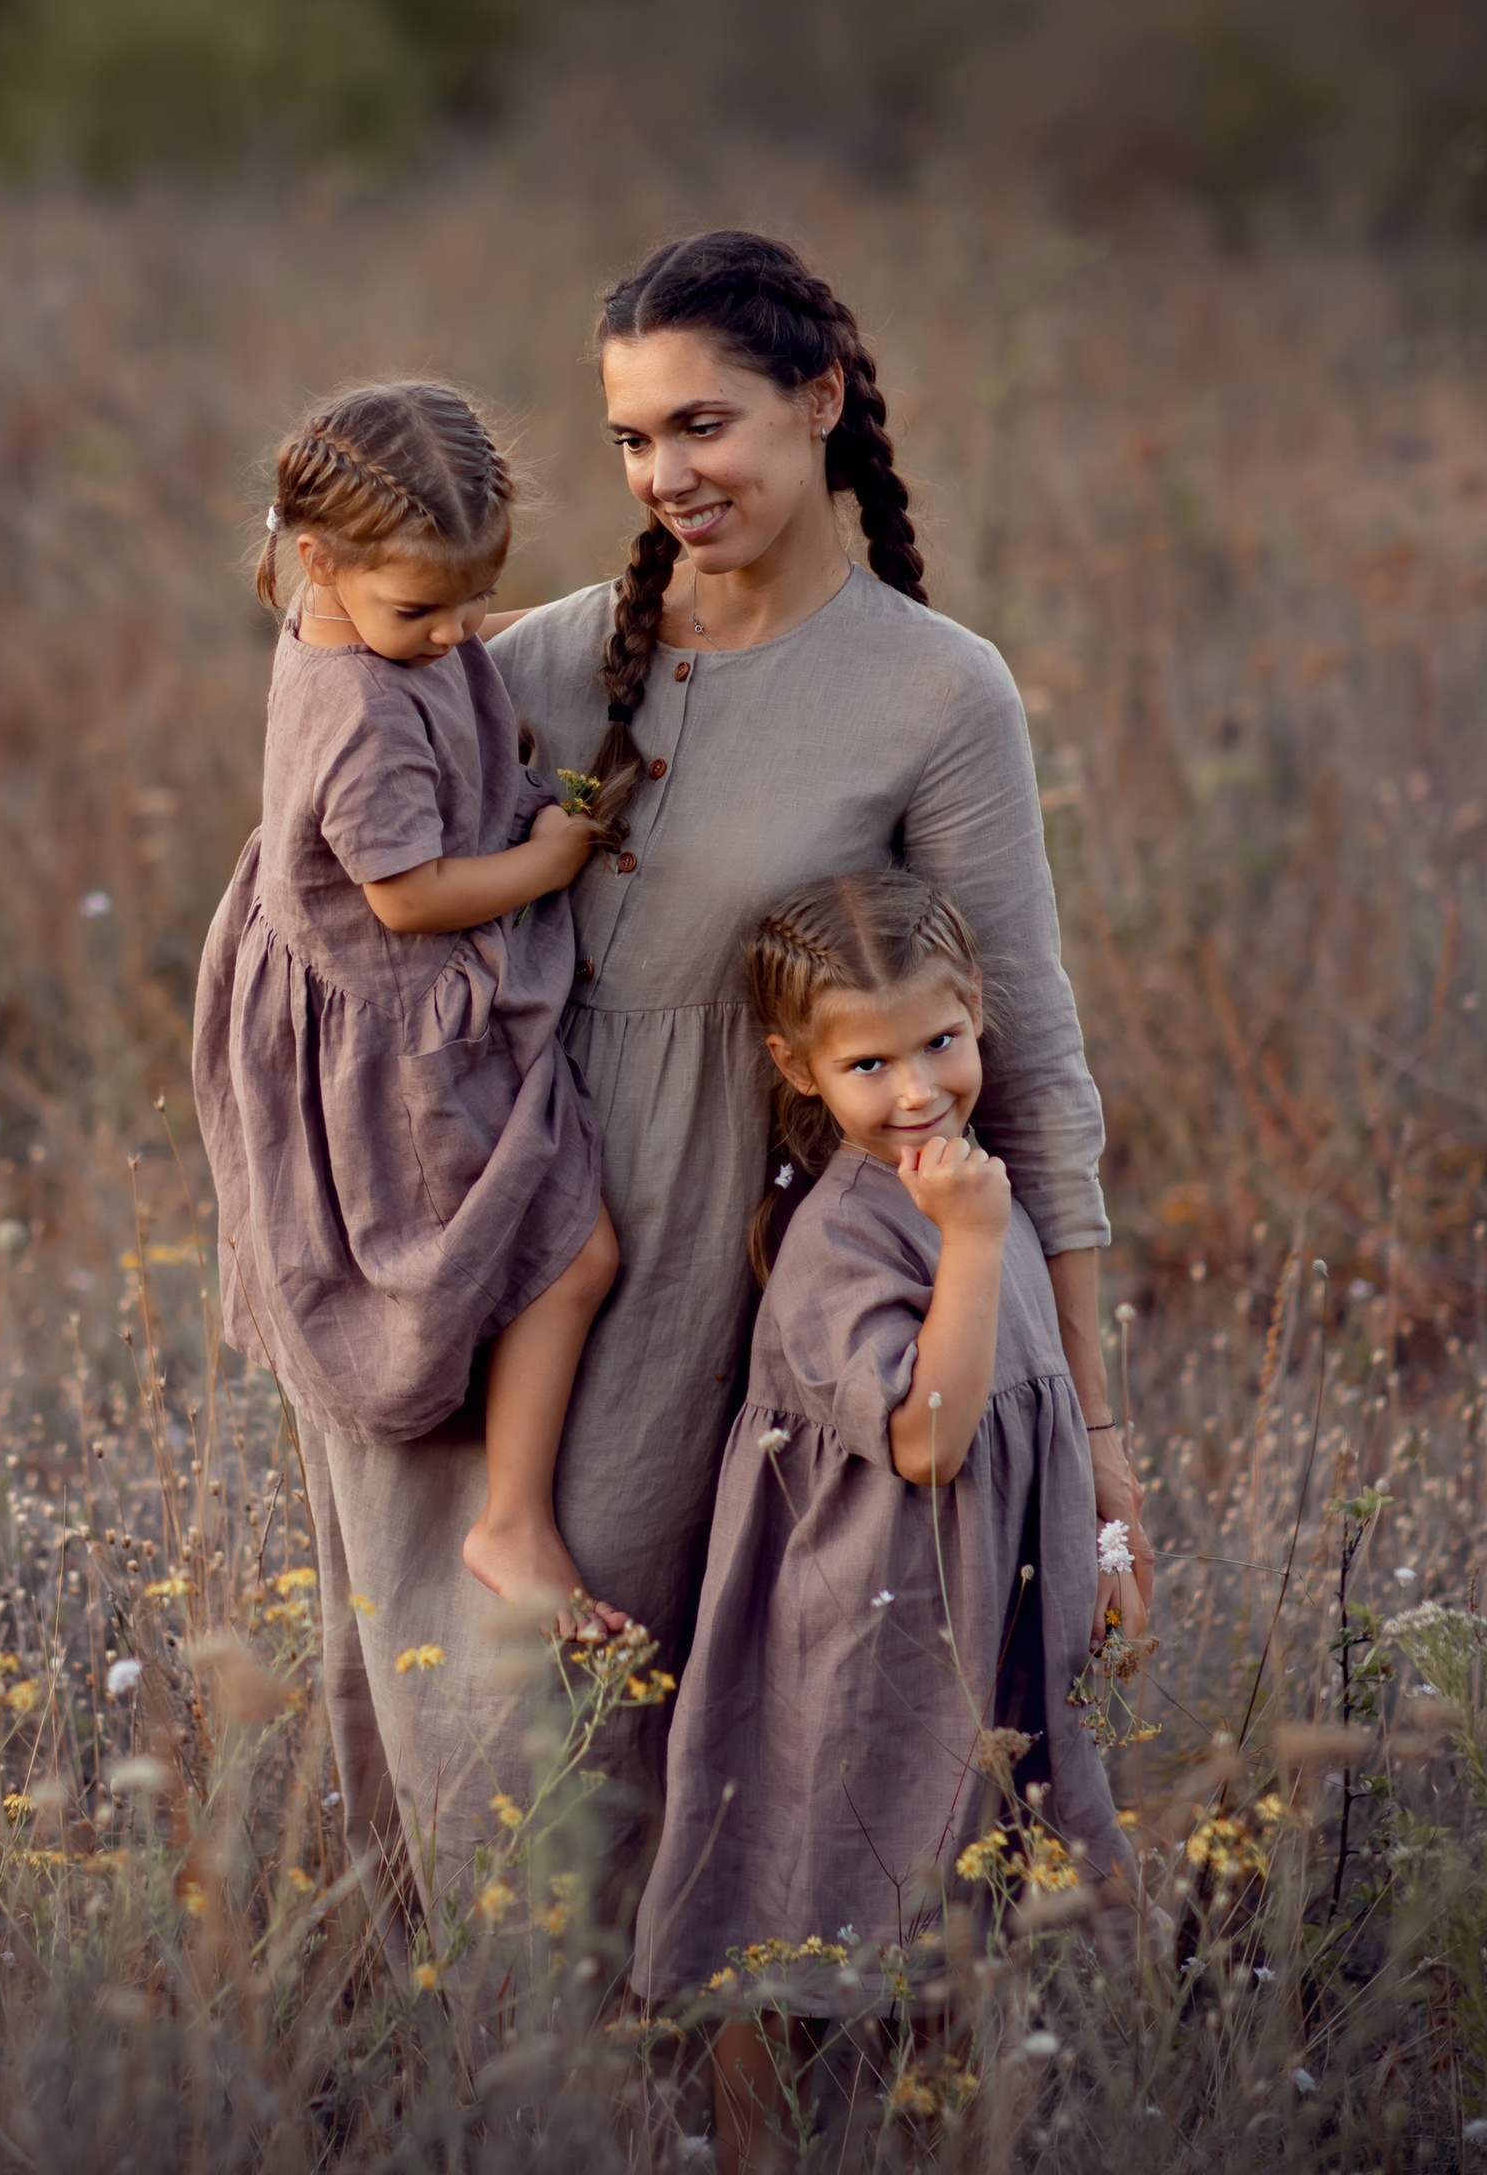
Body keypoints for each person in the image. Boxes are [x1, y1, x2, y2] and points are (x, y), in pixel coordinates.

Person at [289, 229, 1152, 1956]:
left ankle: (661, 2097)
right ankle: (481, 2103)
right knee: (441, 1724)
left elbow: (1032, 1063)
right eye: (629, 440)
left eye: (705, 425)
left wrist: (1104, 1434)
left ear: (820, 399)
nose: (666, 475)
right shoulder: (517, 661)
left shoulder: (933, 691)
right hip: (470, 1238)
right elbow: (323, 866)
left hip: (704, 1265)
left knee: (613, 1722)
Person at [632, 869, 1132, 2160]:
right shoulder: (855, 1237)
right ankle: (752, 2150)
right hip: (866, 1630)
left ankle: (937, 2142)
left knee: (963, 1905)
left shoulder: (976, 1182)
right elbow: (927, 1439)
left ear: (978, 1020)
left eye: (942, 1042)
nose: (917, 1088)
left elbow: (1042, 1411)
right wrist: (965, 1242)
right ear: (798, 1068)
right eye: (870, 1061)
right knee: (792, 1897)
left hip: (984, 1618)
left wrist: (1111, 1547)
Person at [192, 381, 623, 1638]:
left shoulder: (340, 617)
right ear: (318, 558)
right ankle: (511, 1518)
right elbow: (407, 896)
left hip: (357, 975)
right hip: (385, 1024)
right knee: (572, 1252)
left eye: (477, 599)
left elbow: (454, 647)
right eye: (423, 608)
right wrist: (552, 860)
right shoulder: (363, 714)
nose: (458, 633)